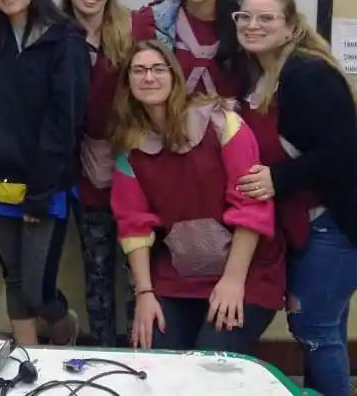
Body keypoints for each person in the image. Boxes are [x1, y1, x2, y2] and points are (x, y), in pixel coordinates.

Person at [234, 0, 357, 396]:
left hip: (343, 223)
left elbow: (339, 152)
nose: (252, 25)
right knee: (326, 323)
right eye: (244, 17)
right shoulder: (267, 74)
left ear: (290, 27)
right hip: (321, 222)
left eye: (266, 18)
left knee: (312, 324)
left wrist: (276, 180)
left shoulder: (307, 75)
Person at [111, 40, 284, 353]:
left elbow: (251, 206)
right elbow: (132, 223)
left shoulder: (222, 123)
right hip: (179, 275)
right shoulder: (130, 147)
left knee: (211, 360)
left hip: (245, 272)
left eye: (157, 69)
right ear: (128, 83)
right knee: (156, 354)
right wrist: (144, 293)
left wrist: (233, 281)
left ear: (175, 76)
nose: (149, 77)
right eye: (138, 71)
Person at [0, 0, 89, 347]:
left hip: (43, 185)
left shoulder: (64, 40)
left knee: (37, 289)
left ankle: (61, 321)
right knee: (14, 279)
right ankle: (28, 359)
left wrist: (40, 191)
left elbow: (64, 121)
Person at [60, 0, 155, 347]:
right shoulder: (58, 36)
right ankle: (102, 351)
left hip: (135, 172)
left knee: (139, 272)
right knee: (97, 272)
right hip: (86, 174)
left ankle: (144, 355)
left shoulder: (134, 31)